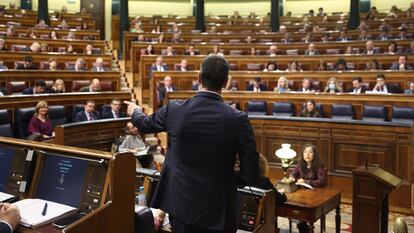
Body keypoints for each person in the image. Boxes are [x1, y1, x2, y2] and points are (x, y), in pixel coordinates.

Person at [124, 55, 260, 233]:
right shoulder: (239, 120)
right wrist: (225, 179)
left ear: (198, 78)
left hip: (182, 207)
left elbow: (145, 124)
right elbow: (250, 174)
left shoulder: (175, 109)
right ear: (226, 82)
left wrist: (136, 112)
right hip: (219, 212)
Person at [291, 144, 327, 233]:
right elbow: (294, 174)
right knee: (295, 207)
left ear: (314, 154)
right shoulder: (300, 164)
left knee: (305, 211)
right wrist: (292, 177)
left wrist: (306, 182)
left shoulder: (319, 165)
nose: (307, 155)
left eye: (310, 152)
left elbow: (322, 182)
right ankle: (302, 227)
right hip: (302, 193)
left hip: (315, 194)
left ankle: (305, 228)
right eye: (305, 152)